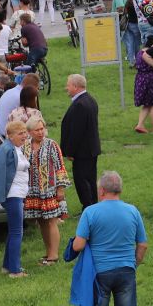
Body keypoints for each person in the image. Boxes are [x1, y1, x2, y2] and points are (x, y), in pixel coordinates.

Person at [72, 171, 148, 306]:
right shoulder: (132, 211)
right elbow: (142, 244)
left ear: (102, 190)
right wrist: (134, 263)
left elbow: (78, 245)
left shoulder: (91, 212)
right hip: (126, 271)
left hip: (100, 274)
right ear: (120, 190)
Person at [23, 115, 70, 265]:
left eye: (42, 128)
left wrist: (60, 189)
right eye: (36, 130)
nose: (40, 132)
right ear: (29, 131)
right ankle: (48, 252)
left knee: (51, 221)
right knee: (41, 221)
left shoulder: (52, 145)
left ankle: (54, 255)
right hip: (33, 190)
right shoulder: (25, 146)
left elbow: (60, 167)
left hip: (49, 189)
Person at [0, 119, 31, 277]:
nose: (24, 136)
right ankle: (15, 270)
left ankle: (7, 266)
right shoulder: (5, 149)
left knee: (14, 232)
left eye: (25, 132)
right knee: (17, 232)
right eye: (20, 133)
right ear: (9, 135)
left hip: (18, 194)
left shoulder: (16, 148)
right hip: (12, 196)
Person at [60, 73, 102, 210]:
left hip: (82, 151)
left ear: (75, 86)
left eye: (68, 85)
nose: (66, 88)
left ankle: (88, 207)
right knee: (90, 178)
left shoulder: (80, 104)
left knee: (82, 180)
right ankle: (92, 205)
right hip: (90, 149)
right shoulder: (90, 100)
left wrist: (69, 151)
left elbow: (76, 131)